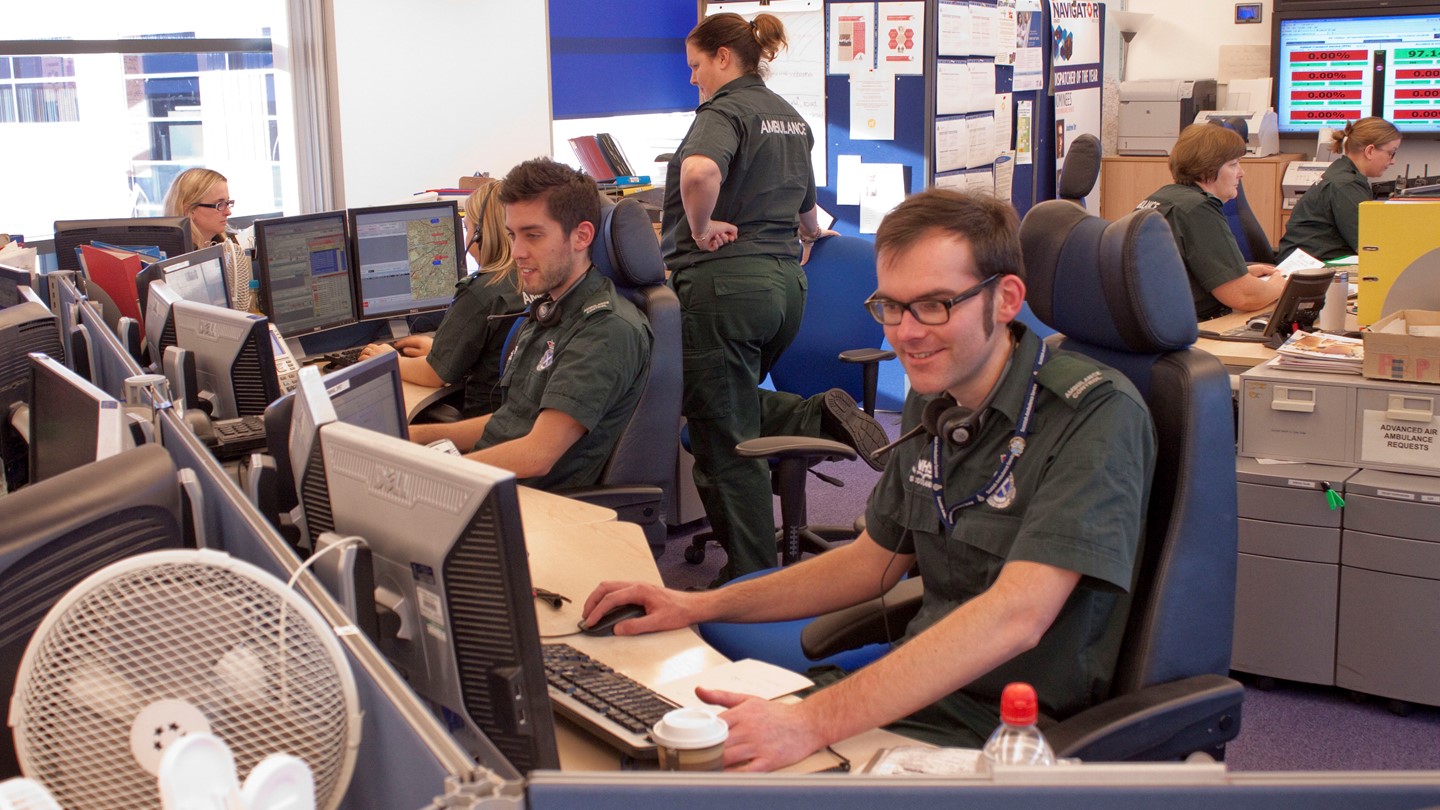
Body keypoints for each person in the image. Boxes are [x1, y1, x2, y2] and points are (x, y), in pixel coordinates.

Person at [585, 189, 1157, 772]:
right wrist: (696, 603)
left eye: (934, 305)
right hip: (919, 691)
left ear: (1005, 298)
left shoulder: (1094, 414)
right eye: (891, 305)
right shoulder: (939, 400)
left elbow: (1016, 616)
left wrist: (809, 721)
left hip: (1011, 733)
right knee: (668, 757)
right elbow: (870, 563)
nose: (906, 333)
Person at [662, 11, 888, 585]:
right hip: (786, 288)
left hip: (724, 289)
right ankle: (818, 413)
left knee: (722, 436)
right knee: (729, 402)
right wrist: (813, 235)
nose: (693, 80)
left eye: (695, 66)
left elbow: (696, 172)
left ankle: (753, 578)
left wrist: (700, 224)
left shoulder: (725, 110)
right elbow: (808, 209)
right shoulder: (791, 119)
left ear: (722, 57)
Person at [407, 158, 651, 490]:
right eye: (512, 234)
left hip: (533, 509)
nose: (517, 252)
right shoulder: (551, 310)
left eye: (533, 235)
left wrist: (432, 474)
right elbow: (511, 421)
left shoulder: (607, 330)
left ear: (581, 236)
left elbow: (537, 454)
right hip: (495, 486)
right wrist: (415, 437)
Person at [357, 181, 526, 418]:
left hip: (480, 421)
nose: (466, 237)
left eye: (467, 228)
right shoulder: (524, 279)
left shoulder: (480, 292)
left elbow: (435, 375)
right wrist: (438, 351)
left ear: (481, 235)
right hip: (509, 412)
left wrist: (391, 360)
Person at [1136, 123, 1280, 321]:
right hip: (1191, 328)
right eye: (1233, 164)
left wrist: (1238, 273)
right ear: (1208, 168)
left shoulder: (1162, 198)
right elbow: (1245, 297)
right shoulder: (1198, 209)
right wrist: (1282, 284)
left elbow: (1174, 273)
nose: (1241, 172)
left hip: (1154, 322)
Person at [1277, 117, 1400, 263]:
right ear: (1370, 151)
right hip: (1312, 267)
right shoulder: (1346, 185)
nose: (1393, 161)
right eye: (1391, 153)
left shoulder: (1342, 174)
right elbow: (1370, 246)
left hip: (1311, 260)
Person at [162, 168, 255, 312]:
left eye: (228, 203)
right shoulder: (174, 266)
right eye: (220, 205)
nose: (228, 212)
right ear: (189, 210)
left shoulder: (227, 250)